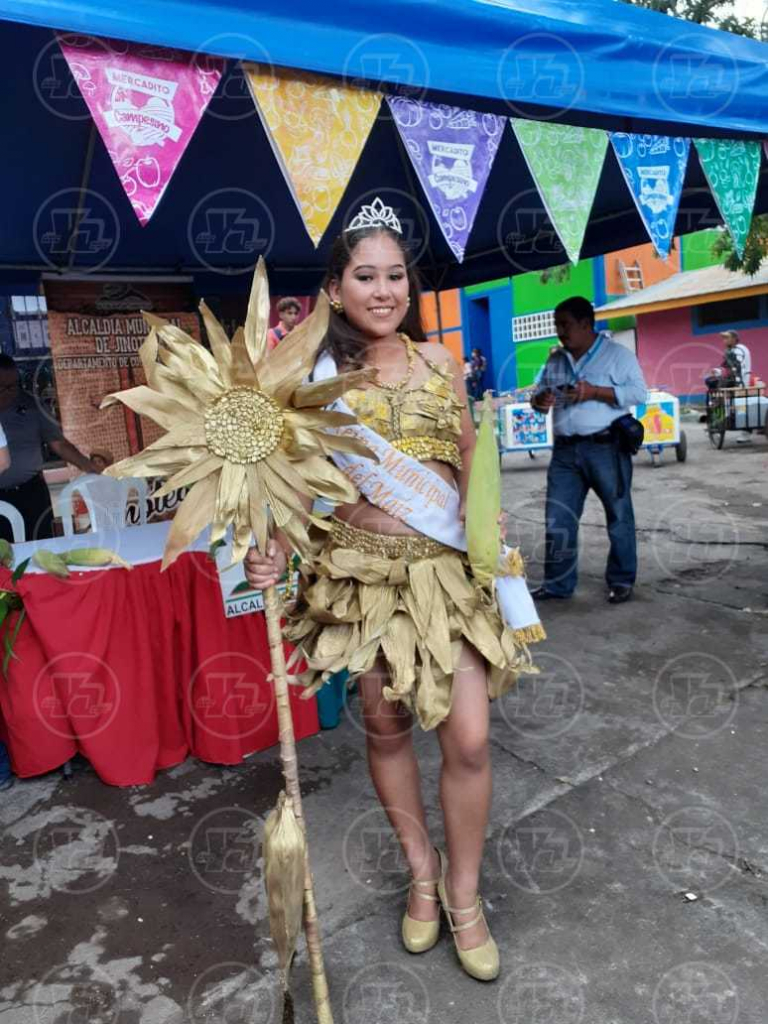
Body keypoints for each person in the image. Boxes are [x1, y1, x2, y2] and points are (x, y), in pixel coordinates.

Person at [244, 202, 544, 983]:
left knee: (469, 737)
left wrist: (490, 530)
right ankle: (419, 871)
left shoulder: (443, 362)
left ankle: (465, 892)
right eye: (365, 276)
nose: (383, 290)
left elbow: (474, 463)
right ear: (336, 290)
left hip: (446, 574)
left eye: (396, 275)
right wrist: (271, 550)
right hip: (361, 577)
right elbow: (290, 482)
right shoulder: (313, 379)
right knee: (385, 730)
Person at [531, 296, 647, 605]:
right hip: (565, 453)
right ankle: (557, 585)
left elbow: (639, 393)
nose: (560, 331)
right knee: (558, 519)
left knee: (619, 515)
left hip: (606, 448)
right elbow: (539, 394)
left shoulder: (617, 356)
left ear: (586, 324)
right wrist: (539, 402)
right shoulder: (556, 360)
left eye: (565, 324)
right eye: (557, 324)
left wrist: (594, 391)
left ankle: (621, 581)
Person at [0, 355, 104, 542]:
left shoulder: (32, 405)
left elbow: (58, 443)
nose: (9, 392)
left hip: (31, 493)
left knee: (42, 546)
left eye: (13, 385)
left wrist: (88, 466)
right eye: (2, 387)